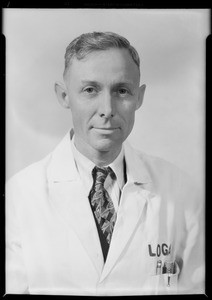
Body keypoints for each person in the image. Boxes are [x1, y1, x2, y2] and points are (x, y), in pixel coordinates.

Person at [6, 31, 204, 295]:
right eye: (90, 90)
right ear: (64, 96)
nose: (107, 109)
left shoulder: (180, 191)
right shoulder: (21, 195)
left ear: (139, 97)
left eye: (122, 91)